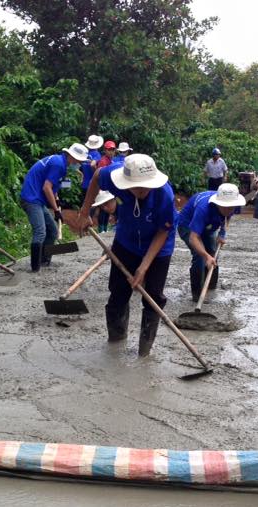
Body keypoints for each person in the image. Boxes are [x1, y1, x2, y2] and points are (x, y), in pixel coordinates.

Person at [77, 153, 176, 356]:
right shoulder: (113, 176)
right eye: (136, 187)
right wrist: (85, 211)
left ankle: (144, 351)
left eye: (145, 186)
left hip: (158, 247)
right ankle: (116, 340)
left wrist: (144, 266)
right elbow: (96, 176)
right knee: (118, 291)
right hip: (126, 241)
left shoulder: (164, 195)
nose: (141, 191)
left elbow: (163, 232)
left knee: (153, 297)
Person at [19, 142, 88, 272]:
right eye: (79, 161)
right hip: (31, 199)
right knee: (40, 231)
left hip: (37, 199)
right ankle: (35, 267)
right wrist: (56, 210)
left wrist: (56, 200)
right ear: (72, 157)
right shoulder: (59, 164)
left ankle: (44, 260)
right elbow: (46, 187)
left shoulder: (60, 162)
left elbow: (52, 186)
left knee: (53, 231)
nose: (79, 164)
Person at [176, 183, 245, 301]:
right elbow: (194, 237)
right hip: (187, 226)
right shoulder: (203, 209)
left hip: (208, 225)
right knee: (200, 256)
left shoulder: (234, 205)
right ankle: (198, 294)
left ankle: (210, 286)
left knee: (212, 251)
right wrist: (205, 255)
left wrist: (222, 233)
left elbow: (227, 217)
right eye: (225, 207)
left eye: (231, 207)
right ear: (218, 203)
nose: (229, 210)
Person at [95, 141, 117, 232]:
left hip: (109, 188)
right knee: (103, 209)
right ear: (105, 150)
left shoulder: (111, 160)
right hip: (103, 189)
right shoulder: (103, 161)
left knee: (107, 210)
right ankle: (101, 229)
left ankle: (104, 228)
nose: (111, 152)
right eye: (109, 150)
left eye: (112, 149)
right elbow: (100, 176)